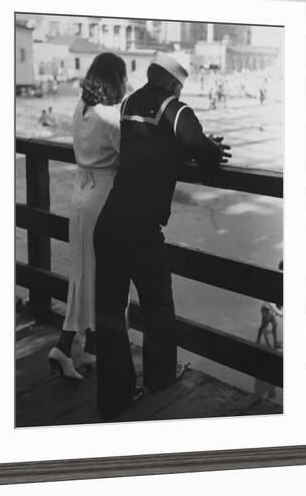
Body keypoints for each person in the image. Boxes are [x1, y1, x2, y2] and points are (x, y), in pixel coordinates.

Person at [93, 51, 231, 419]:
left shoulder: (129, 104)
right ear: (174, 83)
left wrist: (188, 145)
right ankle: (160, 379)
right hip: (141, 230)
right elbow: (205, 152)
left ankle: (115, 395)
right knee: (157, 307)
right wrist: (208, 147)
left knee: (108, 313)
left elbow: (149, 146)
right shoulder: (177, 110)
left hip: (108, 224)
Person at [47, 52, 127, 381]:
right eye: (123, 78)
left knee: (82, 274)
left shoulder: (82, 110)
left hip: (79, 196)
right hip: (103, 199)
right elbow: (131, 155)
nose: (127, 84)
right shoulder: (111, 117)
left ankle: (85, 349)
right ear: (115, 80)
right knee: (106, 279)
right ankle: (69, 347)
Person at [256, 260, 283, 350]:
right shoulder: (278, 279)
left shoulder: (277, 278)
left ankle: (275, 343)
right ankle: (258, 340)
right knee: (264, 325)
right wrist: (278, 311)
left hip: (269, 309)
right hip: (266, 309)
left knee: (274, 324)